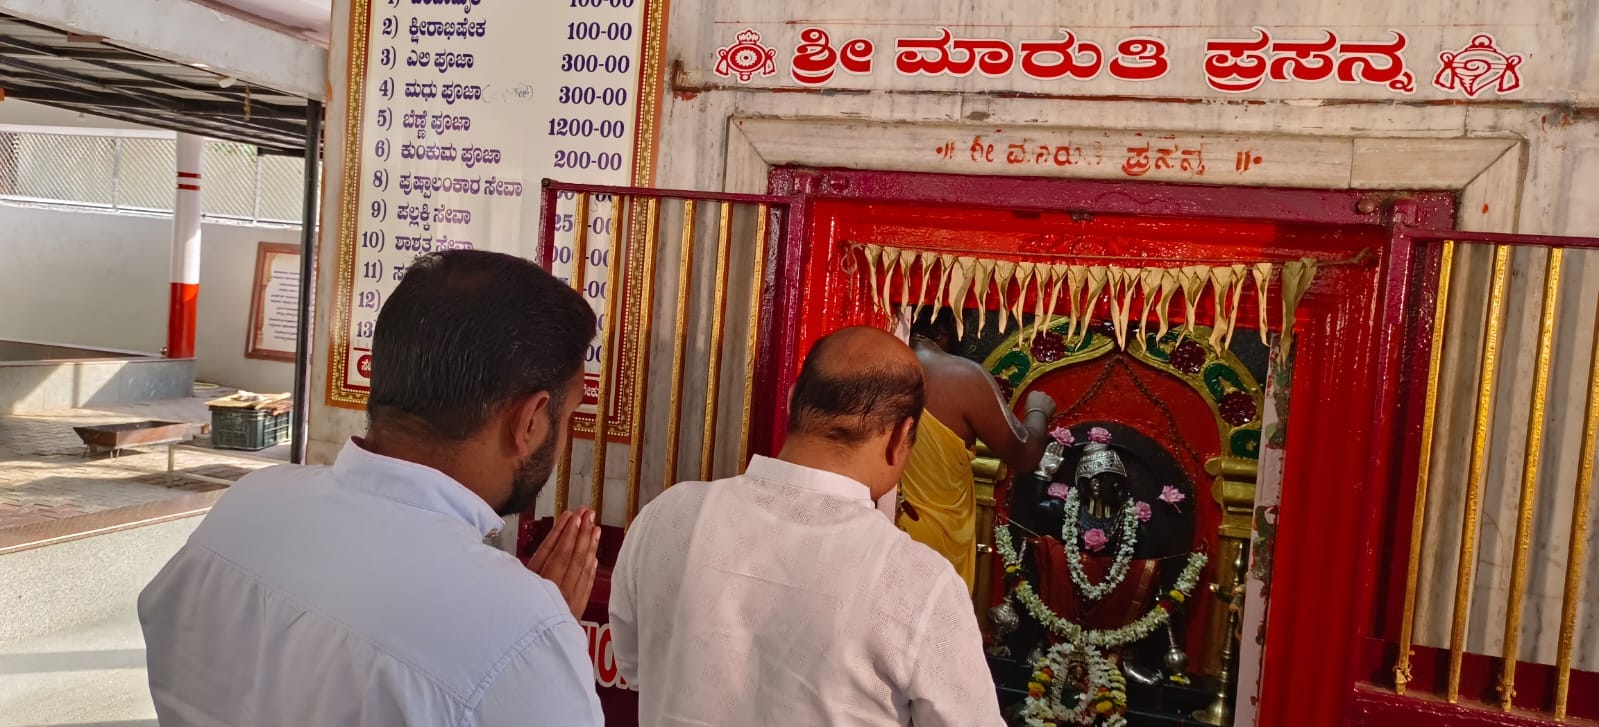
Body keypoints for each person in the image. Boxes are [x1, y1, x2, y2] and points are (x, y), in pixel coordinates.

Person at [139, 250, 606, 726]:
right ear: (529, 421)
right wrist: (535, 641)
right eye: (568, 417)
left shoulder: (249, 504)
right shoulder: (521, 630)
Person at [609, 326, 1005, 727]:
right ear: (901, 435)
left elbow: (633, 665)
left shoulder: (670, 515)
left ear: (792, 398)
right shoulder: (919, 580)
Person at [900, 307, 1057, 594]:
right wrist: (1038, 410)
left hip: (884, 528)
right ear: (948, 328)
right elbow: (1023, 452)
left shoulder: (876, 361)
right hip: (934, 538)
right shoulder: (960, 375)